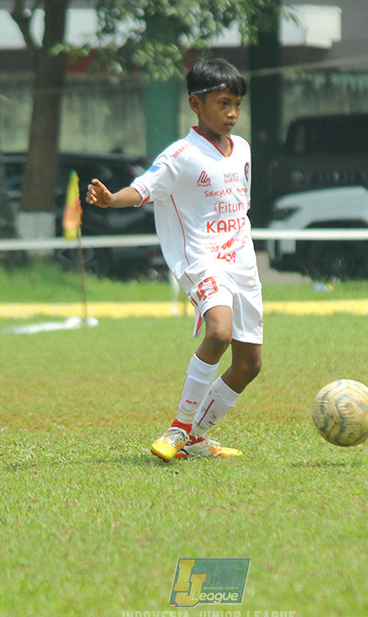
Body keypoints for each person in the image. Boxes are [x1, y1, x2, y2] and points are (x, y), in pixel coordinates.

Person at [86, 58, 262, 462]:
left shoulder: (243, 150)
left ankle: (197, 437)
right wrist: (111, 199)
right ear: (195, 104)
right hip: (203, 261)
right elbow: (143, 188)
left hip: (242, 264)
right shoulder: (181, 155)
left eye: (237, 104)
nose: (232, 113)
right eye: (223, 103)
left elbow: (241, 206)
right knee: (219, 332)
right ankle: (179, 427)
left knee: (249, 365)